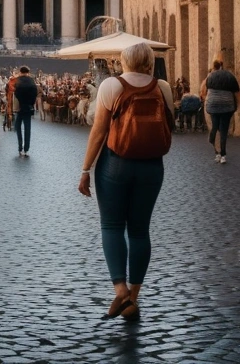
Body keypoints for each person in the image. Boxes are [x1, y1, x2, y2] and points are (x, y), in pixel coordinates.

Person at [78, 42, 174, 321]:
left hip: (115, 163)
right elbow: (170, 124)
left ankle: (120, 289)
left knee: (111, 225)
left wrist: (85, 169)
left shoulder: (111, 86)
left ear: (124, 62)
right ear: (149, 62)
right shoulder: (163, 87)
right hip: (152, 166)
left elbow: (98, 132)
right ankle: (134, 296)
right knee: (140, 230)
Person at [201, 59, 239, 164]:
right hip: (227, 106)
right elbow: (236, 93)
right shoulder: (230, 76)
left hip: (213, 105)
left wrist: (206, 101)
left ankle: (212, 138)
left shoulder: (210, 76)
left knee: (215, 126)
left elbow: (204, 91)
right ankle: (223, 155)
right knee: (224, 130)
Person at [13, 66, 39, 158]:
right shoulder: (32, 81)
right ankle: (26, 149)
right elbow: (35, 93)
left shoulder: (16, 81)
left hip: (19, 107)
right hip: (28, 107)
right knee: (27, 128)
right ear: (28, 72)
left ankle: (20, 147)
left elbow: (14, 92)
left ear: (20, 72)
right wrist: (31, 104)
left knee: (18, 127)